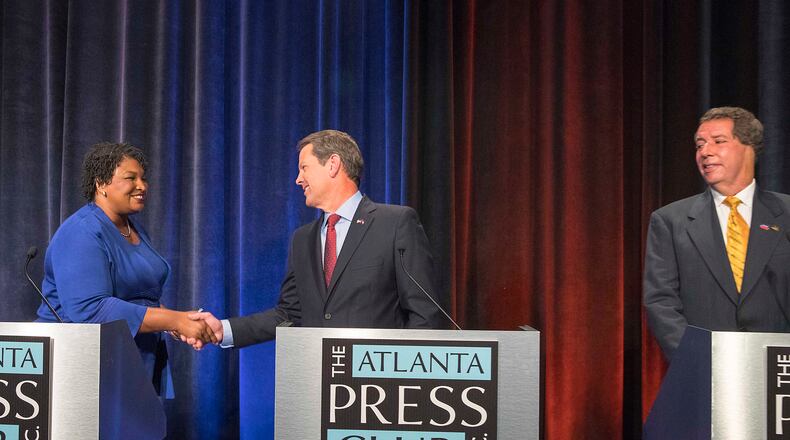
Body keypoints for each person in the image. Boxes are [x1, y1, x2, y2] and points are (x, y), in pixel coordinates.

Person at [189, 129, 443, 349]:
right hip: (319, 384)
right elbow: (288, 315)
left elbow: (424, 312)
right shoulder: (302, 239)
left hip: (377, 389)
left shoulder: (395, 223)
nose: (298, 179)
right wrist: (224, 329)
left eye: (304, 167)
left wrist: (403, 375)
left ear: (332, 164)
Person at [36, 142, 217, 396]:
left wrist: (181, 321)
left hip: (134, 357)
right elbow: (90, 310)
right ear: (101, 184)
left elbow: (138, 296)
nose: (142, 186)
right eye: (131, 178)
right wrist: (175, 320)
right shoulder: (81, 232)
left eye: (143, 178)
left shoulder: (131, 228)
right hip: (84, 368)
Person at [644, 107, 790, 360]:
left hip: (778, 368)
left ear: (749, 147)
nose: (705, 152)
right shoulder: (670, 221)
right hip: (704, 367)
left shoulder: (786, 214)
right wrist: (694, 358)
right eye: (700, 145)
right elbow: (660, 302)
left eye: (718, 142)